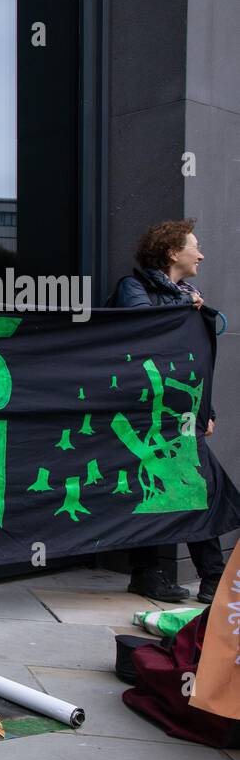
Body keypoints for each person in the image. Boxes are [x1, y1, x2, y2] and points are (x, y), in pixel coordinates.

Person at [110, 219, 225, 604]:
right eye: (195, 246)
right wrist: (186, 304)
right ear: (173, 253)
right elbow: (141, 325)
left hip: (181, 413)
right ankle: (164, 575)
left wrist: (207, 410)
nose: (202, 254)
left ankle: (207, 579)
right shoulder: (136, 287)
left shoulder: (190, 295)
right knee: (161, 488)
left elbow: (197, 363)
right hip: (145, 410)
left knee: (195, 489)